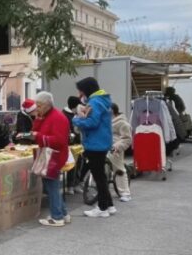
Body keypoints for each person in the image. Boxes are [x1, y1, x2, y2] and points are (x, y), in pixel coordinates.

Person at [22, 92, 70, 227]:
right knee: (52, 186)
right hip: (49, 154)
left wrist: (40, 136)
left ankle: (57, 217)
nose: (37, 108)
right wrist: (38, 119)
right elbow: (34, 130)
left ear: (47, 104)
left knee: (51, 187)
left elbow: (59, 141)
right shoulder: (46, 115)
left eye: (39, 105)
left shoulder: (58, 117)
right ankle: (63, 214)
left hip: (54, 156)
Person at [71, 76, 116, 218]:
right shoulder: (102, 100)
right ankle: (109, 205)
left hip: (95, 144)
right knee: (101, 175)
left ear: (87, 90)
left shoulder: (95, 102)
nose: (80, 95)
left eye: (81, 92)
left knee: (99, 177)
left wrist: (76, 119)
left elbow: (92, 123)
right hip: (102, 142)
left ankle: (102, 208)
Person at [109, 103, 132, 202]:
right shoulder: (106, 121)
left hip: (115, 149)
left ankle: (125, 193)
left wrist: (117, 147)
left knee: (119, 169)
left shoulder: (122, 123)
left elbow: (127, 138)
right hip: (103, 147)